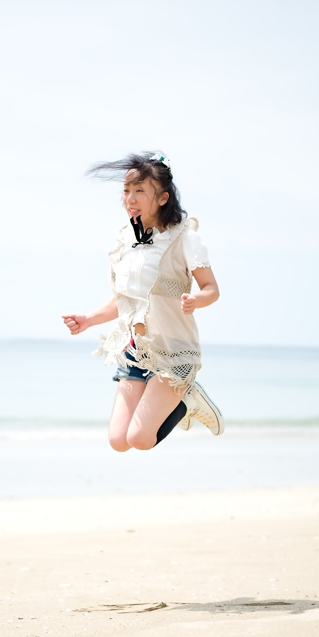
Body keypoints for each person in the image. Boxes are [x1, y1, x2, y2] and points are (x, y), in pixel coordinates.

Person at [62, 152, 224, 451]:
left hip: (172, 351)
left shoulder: (184, 239)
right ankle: (174, 403)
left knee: (140, 439)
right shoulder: (126, 239)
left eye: (139, 191)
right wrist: (88, 320)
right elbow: (125, 301)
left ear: (162, 198)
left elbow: (211, 288)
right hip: (135, 349)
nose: (130, 198)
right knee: (118, 441)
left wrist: (195, 300)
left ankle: (188, 399)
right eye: (126, 190)